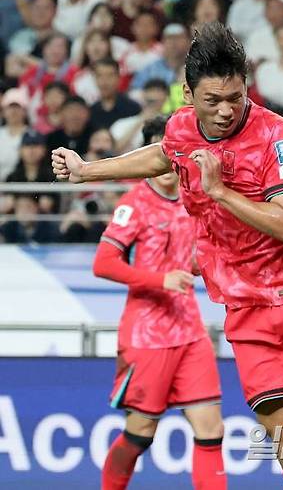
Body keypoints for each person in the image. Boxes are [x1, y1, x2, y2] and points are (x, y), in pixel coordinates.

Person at [52, 22, 283, 490]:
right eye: (212, 101)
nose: (226, 110)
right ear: (187, 94)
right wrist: (89, 170)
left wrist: (219, 191)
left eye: (235, 97)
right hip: (246, 308)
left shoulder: (277, 135)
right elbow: (166, 152)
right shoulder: (180, 128)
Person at [92, 114, 226, 489]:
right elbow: (103, 264)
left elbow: (198, 252)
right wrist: (160, 279)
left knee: (211, 428)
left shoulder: (193, 198)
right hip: (146, 335)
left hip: (190, 332)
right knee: (140, 435)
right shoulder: (134, 204)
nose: (168, 166)